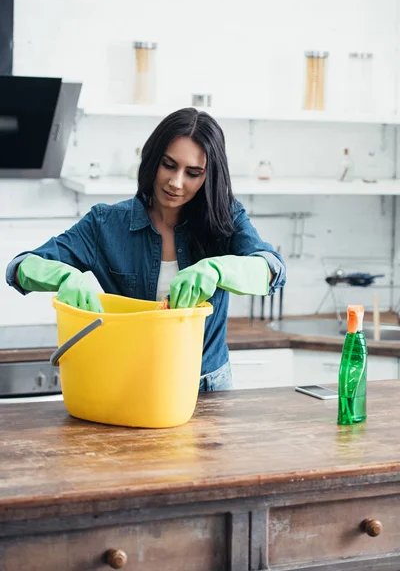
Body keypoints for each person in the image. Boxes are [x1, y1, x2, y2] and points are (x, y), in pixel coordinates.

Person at [6, 108, 286, 391]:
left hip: (208, 385)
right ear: (153, 159)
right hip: (131, 383)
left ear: (208, 176)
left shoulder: (226, 218)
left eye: (193, 173)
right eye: (168, 165)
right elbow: (19, 267)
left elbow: (272, 270)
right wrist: (65, 277)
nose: (176, 182)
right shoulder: (105, 224)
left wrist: (218, 268)